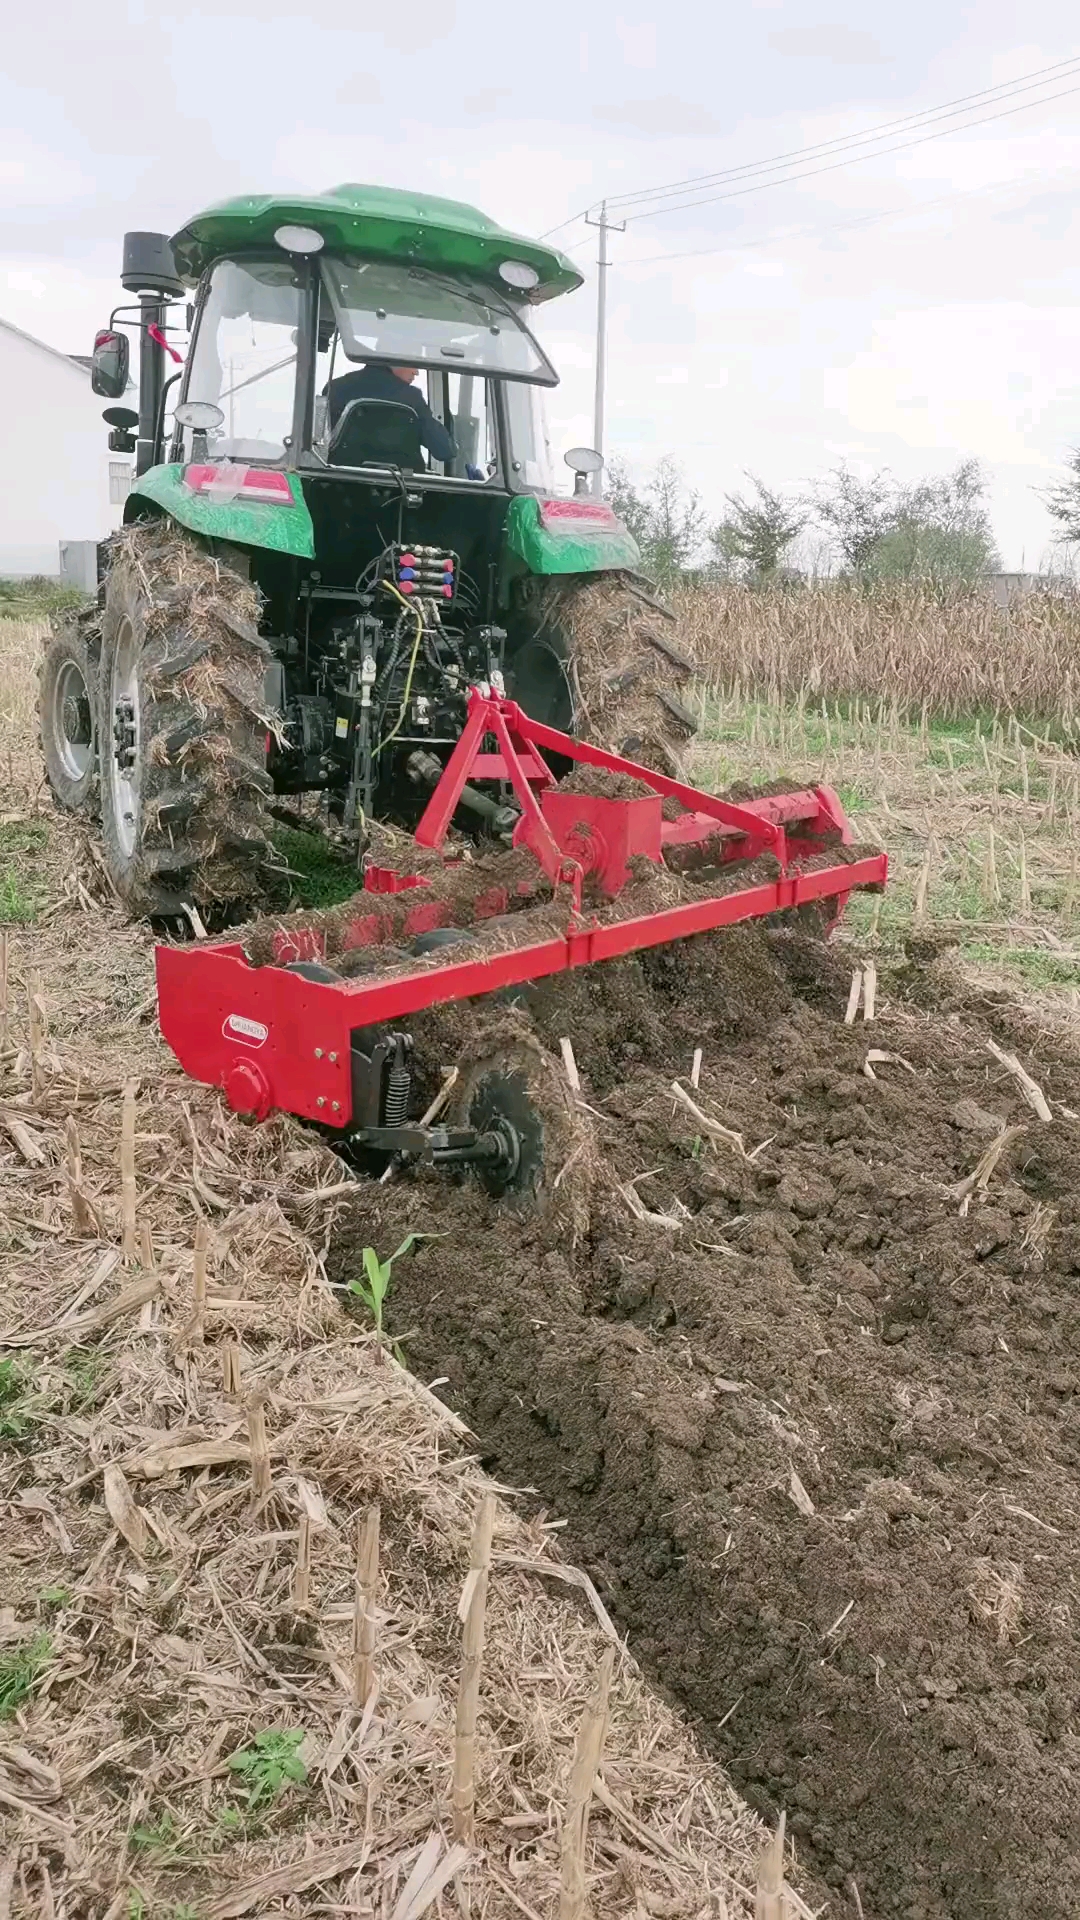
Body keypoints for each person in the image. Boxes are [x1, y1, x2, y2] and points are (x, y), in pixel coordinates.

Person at [326, 362, 455, 466]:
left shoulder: (335, 388)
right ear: (395, 360)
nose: (416, 372)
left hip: (342, 488)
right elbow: (443, 450)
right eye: (413, 363)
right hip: (403, 491)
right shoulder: (412, 398)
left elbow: (318, 444)